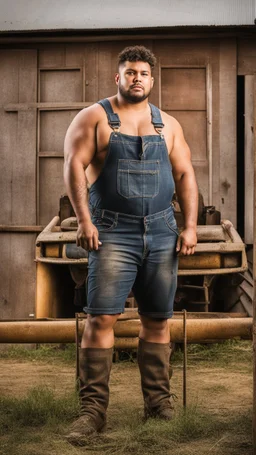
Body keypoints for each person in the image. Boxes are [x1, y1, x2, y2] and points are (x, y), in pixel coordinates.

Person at [64, 45, 198, 445]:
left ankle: (158, 406)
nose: (136, 78)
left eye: (143, 73)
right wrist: (84, 220)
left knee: (158, 319)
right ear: (117, 78)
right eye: (129, 72)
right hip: (111, 232)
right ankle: (92, 414)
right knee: (101, 319)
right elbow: (73, 165)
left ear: (152, 80)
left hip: (161, 232)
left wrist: (188, 226)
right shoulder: (95, 118)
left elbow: (185, 173)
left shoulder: (168, 125)